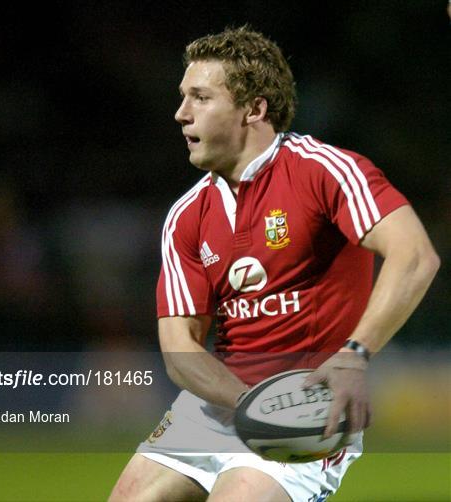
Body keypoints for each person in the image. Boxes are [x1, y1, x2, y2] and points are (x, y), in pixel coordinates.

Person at [109, 26, 440, 502]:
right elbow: (179, 345)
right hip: (222, 403)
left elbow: (414, 256)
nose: (181, 114)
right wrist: (250, 405)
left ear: (255, 108)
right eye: (183, 97)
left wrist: (353, 356)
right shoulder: (186, 215)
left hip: (306, 410)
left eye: (200, 97)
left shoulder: (323, 170)